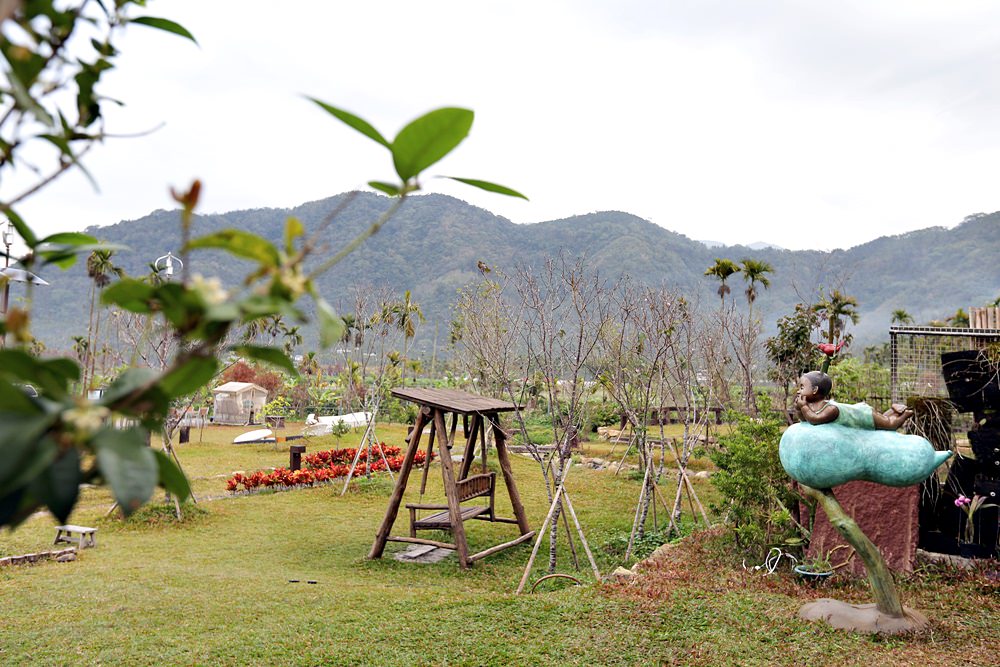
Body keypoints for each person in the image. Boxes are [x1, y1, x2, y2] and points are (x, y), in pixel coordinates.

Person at [794, 370, 912, 429]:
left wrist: (803, 406)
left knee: (889, 424)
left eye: (802, 387)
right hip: (861, 413)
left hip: (864, 414)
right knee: (881, 422)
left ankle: (905, 414)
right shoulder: (813, 406)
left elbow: (815, 420)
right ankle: (893, 410)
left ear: (815, 390)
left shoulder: (831, 409)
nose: (799, 391)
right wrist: (799, 408)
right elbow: (805, 419)